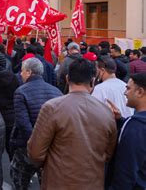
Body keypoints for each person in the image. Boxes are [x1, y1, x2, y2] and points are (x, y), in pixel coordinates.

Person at [28, 58, 117, 189]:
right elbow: (108, 153)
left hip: (58, 182)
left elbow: (35, 153)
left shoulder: (52, 107)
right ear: (92, 81)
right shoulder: (107, 112)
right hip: (92, 183)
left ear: (67, 78)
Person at [10, 57, 62, 189]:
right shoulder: (56, 91)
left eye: (22, 71)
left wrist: (34, 145)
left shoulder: (21, 92)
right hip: (50, 146)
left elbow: (23, 124)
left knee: (21, 181)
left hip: (26, 147)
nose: (20, 74)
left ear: (28, 72)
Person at [105, 72, 146, 189]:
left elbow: (126, 171)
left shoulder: (136, 125)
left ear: (140, 92)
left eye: (128, 88)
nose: (125, 93)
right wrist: (120, 121)